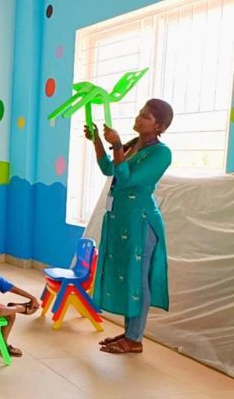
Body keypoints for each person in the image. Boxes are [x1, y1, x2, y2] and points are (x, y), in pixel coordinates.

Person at [86, 98, 173, 354]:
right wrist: (98, 142)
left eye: (146, 116)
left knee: (138, 278)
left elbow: (126, 179)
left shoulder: (161, 153)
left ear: (159, 126)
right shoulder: (134, 145)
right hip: (122, 219)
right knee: (127, 276)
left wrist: (115, 145)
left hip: (141, 221)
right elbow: (108, 169)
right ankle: (129, 334)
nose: (138, 118)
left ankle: (135, 339)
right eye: (139, 113)